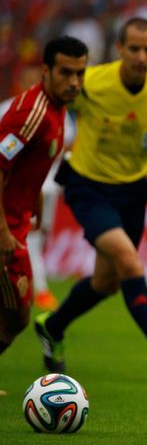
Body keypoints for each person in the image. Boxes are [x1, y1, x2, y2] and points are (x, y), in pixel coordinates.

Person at [33, 17, 147, 382]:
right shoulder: (92, 83)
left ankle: (53, 326)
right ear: (119, 50)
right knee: (131, 264)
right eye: (134, 49)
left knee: (106, 282)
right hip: (88, 186)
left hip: (132, 192)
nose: (142, 57)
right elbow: (53, 102)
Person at [0, 35, 88, 356]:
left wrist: (33, 199)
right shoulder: (30, 113)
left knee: (17, 317)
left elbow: (29, 164)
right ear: (46, 71)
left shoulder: (58, 108)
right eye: (65, 72)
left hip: (18, 222)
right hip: (5, 226)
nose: (74, 81)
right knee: (14, 316)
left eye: (80, 73)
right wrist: (3, 229)